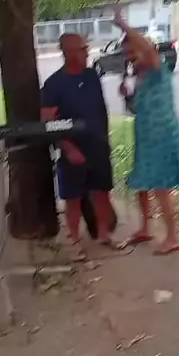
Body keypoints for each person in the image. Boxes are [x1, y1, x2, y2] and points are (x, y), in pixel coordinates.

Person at [114, 6, 179, 255]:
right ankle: (144, 228)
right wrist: (127, 97)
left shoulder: (158, 68)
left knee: (161, 187)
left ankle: (172, 237)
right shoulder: (142, 77)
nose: (130, 57)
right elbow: (137, 109)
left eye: (132, 52)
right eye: (127, 54)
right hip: (146, 137)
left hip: (163, 136)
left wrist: (123, 25)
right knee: (142, 183)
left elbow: (146, 48)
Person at [41, 33, 116, 262]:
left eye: (86, 48)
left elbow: (100, 110)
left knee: (102, 192)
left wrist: (105, 139)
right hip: (72, 151)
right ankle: (73, 240)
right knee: (73, 199)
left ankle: (103, 235)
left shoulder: (92, 76)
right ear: (68, 52)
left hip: (98, 147)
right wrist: (67, 147)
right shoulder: (54, 84)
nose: (87, 52)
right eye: (83, 49)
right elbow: (47, 122)